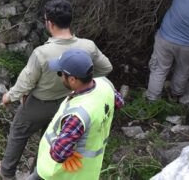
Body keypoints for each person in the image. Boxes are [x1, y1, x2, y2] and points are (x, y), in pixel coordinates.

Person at [0, 0, 113, 180]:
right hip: (70, 103)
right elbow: (106, 68)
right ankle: (37, 171)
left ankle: (7, 171)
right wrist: (81, 81)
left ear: (49, 22)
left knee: (19, 131)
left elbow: (26, 83)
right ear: (70, 21)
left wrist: (8, 97)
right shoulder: (87, 46)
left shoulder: (42, 52)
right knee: (50, 137)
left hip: (39, 105)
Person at [28, 49, 124, 180]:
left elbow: (59, 154)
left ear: (72, 79)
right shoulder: (104, 84)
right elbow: (119, 103)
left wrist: (66, 151)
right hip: (88, 171)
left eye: (60, 73)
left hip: (57, 173)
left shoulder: (78, 115)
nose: (60, 76)